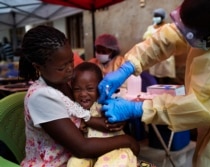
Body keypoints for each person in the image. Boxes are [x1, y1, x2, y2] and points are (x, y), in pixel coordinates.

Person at [98, 0, 210, 166]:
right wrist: (129, 65)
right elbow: (169, 37)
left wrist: (139, 108)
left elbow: (199, 106)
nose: (186, 34)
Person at [19, 25, 139, 166]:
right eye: (62, 67)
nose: (70, 70)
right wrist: (128, 140)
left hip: (80, 160)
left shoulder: (64, 82)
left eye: (71, 61)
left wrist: (111, 121)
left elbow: (81, 114)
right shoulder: (40, 97)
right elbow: (82, 148)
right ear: (38, 67)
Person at [67, 62, 137, 167]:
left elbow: (109, 124)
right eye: (77, 89)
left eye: (90, 88)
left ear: (100, 87)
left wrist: (85, 120)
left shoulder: (105, 103)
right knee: (74, 163)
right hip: (90, 151)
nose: (83, 94)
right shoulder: (74, 107)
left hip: (114, 149)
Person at [142, 8, 176, 85]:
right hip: (155, 55)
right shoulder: (151, 28)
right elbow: (145, 38)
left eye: (158, 16)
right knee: (156, 77)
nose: (156, 18)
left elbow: (171, 39)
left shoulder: (168, 26)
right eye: (155, 16)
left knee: (167, 77)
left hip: (166, 56)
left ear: (162, 17)